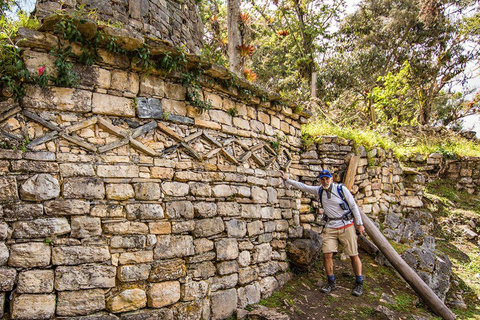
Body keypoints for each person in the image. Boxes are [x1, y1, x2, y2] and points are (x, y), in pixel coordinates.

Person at [280, 169, 365, 296]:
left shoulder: (341, 189)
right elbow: (304, 187)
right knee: (327, 254)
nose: (325, 181)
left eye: (327, 178)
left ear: (331, 179)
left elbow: (353, 206)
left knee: (353, 254)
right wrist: (287, 179)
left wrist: (359, 224)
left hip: (346, 225)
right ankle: (331, 282)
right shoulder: (319, 190)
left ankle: (359, 282)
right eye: (323, 179)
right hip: (330, 226)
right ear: (320, 180)